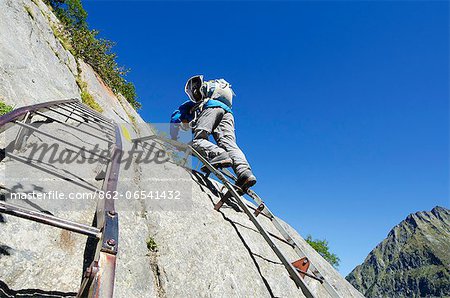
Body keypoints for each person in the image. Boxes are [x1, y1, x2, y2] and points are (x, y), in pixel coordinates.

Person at [170, 75, 257, 190]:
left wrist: (175, 135)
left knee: (198, 140)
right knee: (229, 144)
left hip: (211, 108)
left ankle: (218, 154)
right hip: (228, 113)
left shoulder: (191, 105)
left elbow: (176, 117)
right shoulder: (218, 100)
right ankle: (244, 172)